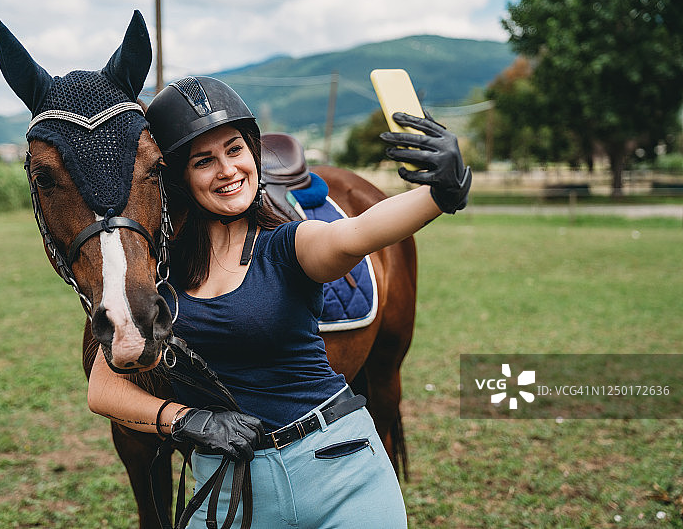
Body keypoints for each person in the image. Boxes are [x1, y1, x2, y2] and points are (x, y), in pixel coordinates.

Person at [87, 75, 471, 527]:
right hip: (228, 490)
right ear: (177, 177)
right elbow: (103, 388)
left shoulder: (288, 244)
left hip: (339, 465)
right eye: (204, 161)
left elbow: (358, 233)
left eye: (235, 150)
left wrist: (439, 194)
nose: (228, 170)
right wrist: (185, 419)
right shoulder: (155, 279)